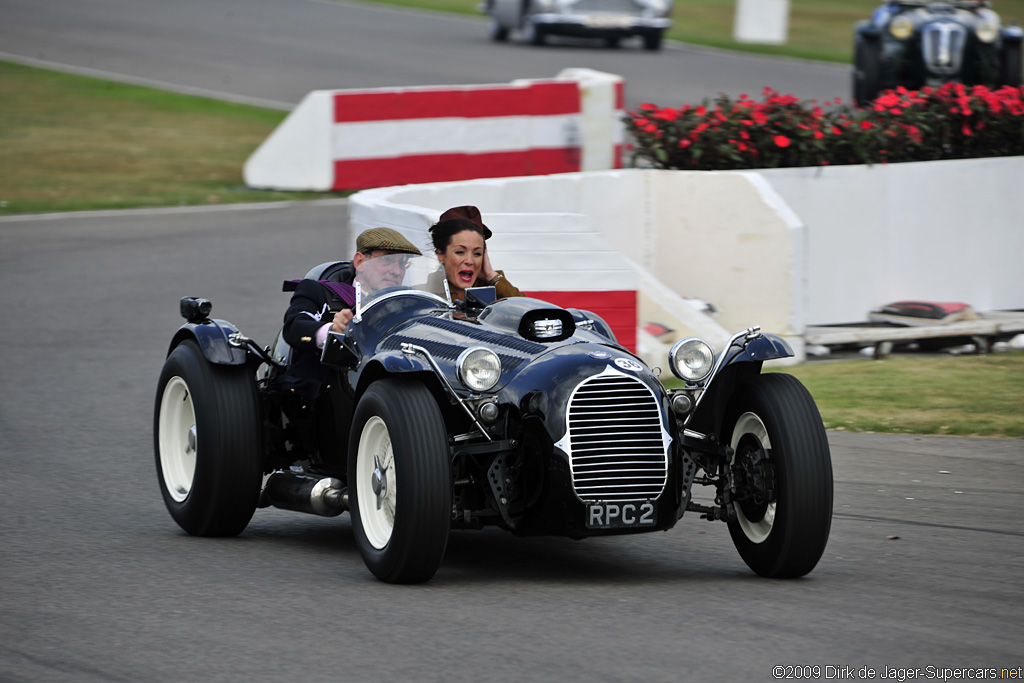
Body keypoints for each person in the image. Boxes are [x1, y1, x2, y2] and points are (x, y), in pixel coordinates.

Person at [278, 227, 422, 399]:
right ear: (360, 262)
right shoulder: (319, 291)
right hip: (327, 398)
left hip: (400, 391)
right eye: (388, 259)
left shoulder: (411, 303)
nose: (397, 271)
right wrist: (333, 330)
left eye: (402, 263)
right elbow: (294, 327)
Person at [429, 205, 523, 302]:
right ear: (440, 254)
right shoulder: (424, 295)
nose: (469, 261)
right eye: (460, 252)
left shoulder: (497, 291)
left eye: (477, 253)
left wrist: (491, 275)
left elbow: (530, 311)